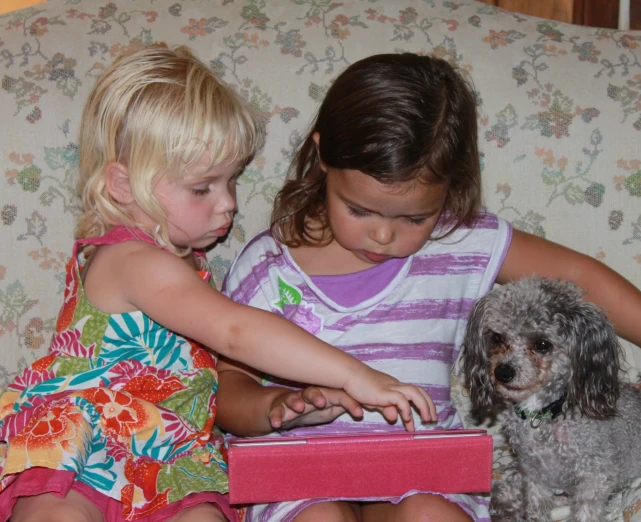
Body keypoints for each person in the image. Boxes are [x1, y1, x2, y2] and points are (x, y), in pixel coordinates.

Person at [216, 53, 641, 522]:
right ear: (322, 155)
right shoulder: (268, 266)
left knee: (432, 517)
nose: (382, 235)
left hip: (421, 467)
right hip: (298, 473)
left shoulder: (461, 242)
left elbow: (579, 279)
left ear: (451, 187)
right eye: (359, 210)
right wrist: (274, 405)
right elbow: (227, 389)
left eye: (414, 217)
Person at [0, 46, 438, 522]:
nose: (228, 204)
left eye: (232, 181)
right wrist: (356, 374)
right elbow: (235, 332)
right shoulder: (132, 259)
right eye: (202, 188)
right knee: (55, 512)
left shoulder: (188, 263)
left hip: (174, 457)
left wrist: (295, 408)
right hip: (85, 444)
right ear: (123, 186)